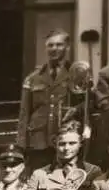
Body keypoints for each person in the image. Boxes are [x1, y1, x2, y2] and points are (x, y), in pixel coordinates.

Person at [19, 121, 101, 190]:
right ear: (54, 143)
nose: (67, 148)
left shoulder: (92, 171)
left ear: (80, 143)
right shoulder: (40, 174)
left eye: (72, 143)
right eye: (62, 144)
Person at [17, 29, 72, 171]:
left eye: (59, 45)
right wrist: (21, 144)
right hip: (39, 141)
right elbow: (24, 113)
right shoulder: (33, 78)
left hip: (67, 139)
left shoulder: (76, 74)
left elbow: (85, 105)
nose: (54, 49)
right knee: (39, 180)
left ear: (67, 47)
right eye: (50, 45)